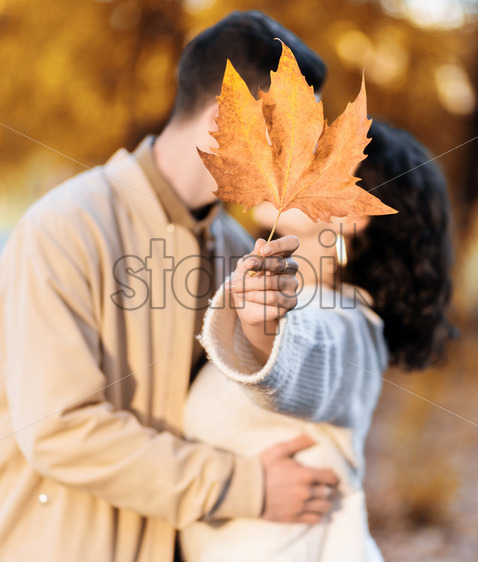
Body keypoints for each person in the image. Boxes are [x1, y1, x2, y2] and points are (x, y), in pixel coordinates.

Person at [0, 11, 338, 562]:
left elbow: (226, 409)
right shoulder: (65, 228)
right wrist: (247, 487)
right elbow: (60, 431)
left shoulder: (234, 250)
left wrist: (261, 334)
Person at [180, 121, 455, 561]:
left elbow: (307, 353)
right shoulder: (319, 302)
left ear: (351, 214)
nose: (285, 168)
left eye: (314, 166)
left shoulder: (348, 326)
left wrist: (264, 325)